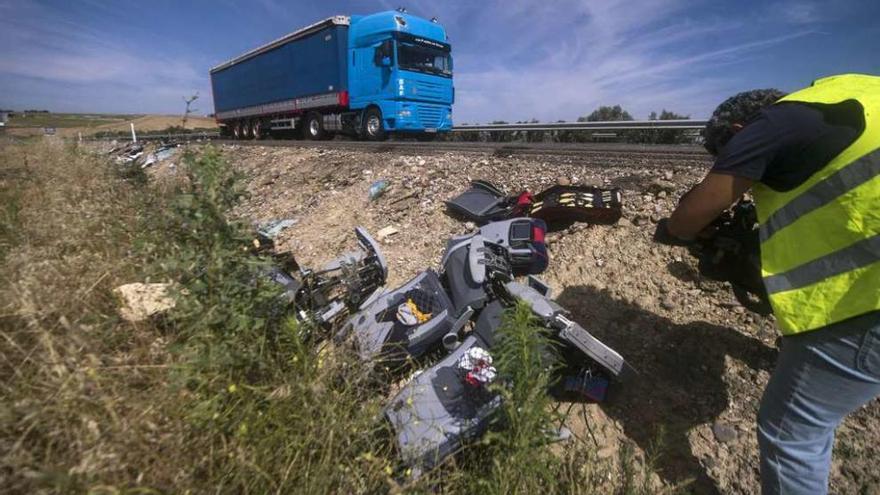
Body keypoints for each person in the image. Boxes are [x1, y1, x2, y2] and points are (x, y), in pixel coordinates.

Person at [655, 73, 880, 494]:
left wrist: (675, 227)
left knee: (790, 435)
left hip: (870, 295)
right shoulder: (853, 91)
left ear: (738, 133)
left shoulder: (771, 125)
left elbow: (686, 220)